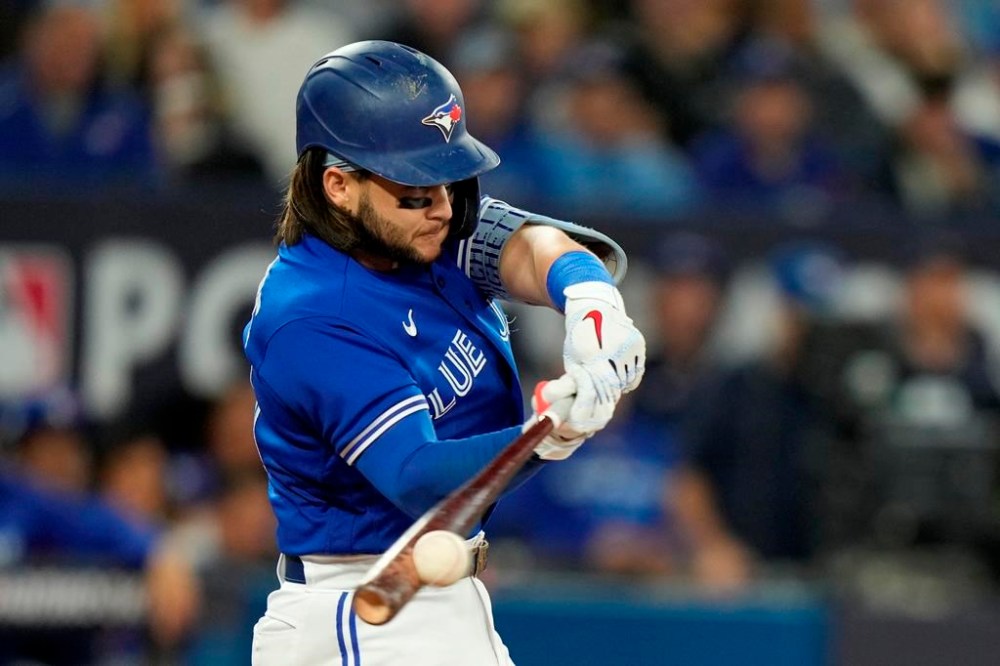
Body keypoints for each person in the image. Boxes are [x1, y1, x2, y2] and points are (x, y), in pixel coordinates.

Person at [242, 40, 646, 665]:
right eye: (415, 187)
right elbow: (416, 478)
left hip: (440, 600)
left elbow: (529, 245)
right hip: (365, 610)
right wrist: (546, 434)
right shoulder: (312, 316)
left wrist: (591, 302)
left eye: (449, 180)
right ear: (339, 186)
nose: (443, 206)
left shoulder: (415, 229)